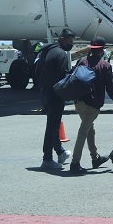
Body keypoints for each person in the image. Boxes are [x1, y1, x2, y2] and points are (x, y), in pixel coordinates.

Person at [68, 36, 113, 174]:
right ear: (102, 50)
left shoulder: (81, 61)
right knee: (83, 132)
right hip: (93, 105)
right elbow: (109, 85)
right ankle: (75, 163)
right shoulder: (105, 65)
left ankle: (95, 158)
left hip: (79, 103)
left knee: (90, 130)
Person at [35, 28, 75, 169]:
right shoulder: (61, 55)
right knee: (52, 126)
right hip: (55, 94)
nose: (71, 43)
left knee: (53, 123)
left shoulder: (46, 51)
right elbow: (63, 76)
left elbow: (37, 71)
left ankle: (60, 152)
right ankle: (47, 159)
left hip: (44, 92)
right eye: (70, 40)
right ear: (63, 39)